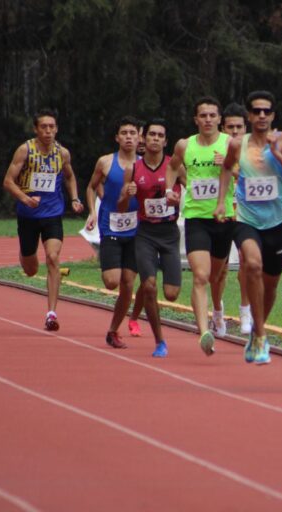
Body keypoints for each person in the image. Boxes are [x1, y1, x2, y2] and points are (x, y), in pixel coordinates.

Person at [215, 90, 282, 364]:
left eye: (266, 111)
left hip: (277, 223)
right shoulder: (237, 145)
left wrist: (278, 156)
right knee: (252, 266)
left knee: (270, 286)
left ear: (273, 115)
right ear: (249, 115)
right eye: (256, 111)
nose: (261, 115)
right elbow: (226, 168)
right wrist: (222, 201)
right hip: (246, 219)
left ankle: (256, 329)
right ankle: (261, 336)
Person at [3, 108, 83, 331]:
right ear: (36, 129)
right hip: (28, 215)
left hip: (53, 214)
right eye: (44, 127)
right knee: (30, 269)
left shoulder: (62, 153)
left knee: (53, 257)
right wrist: (24, 199)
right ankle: (25, 254)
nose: (48, 131)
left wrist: (75, 198)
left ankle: (51, 313)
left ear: (56, 129)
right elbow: (8, 181)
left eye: (52, 127)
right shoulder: (25, 151)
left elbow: (69, 176)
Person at [166, 96, 234, 356]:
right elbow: (172, 168)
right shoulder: (185, 145)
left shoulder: (230, 144)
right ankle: (204, 332)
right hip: (196, 218)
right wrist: (167, 190)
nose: (207, 120)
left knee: (216, 275)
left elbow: (245, 172)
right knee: (200, 276)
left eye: (212, 115)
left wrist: (228, 164)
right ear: (196, 119)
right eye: (203, 116)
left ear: (220, 119)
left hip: (223, 217)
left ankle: (217, 309)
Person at [118, 119, 181, 358]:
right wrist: (127, 194)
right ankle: (160, 341)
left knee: (172, 293)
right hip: (145, 233)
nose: (155, 138)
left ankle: (154, 331)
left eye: (160, 135)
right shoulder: (132, 169)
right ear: (146, 140)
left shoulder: (174, 166)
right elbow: (122, 207)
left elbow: (194, 191)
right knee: (148, 286)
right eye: (152, 134)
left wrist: (179, 201)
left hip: (169, 234)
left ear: (166, 141)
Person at [85, 116, 146, 348]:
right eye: (124, 133)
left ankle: (113, 330)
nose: (129, 137)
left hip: (136, 231)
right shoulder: (105, 162)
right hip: (110, 227)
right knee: (112, 282)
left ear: (139, 136)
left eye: (133, 132)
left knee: (128, 283)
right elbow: (92, 186)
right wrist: (92, 211)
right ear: (117, 137)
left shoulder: (143, 164)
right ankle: (116, 325)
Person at [220, 102, 253, 334]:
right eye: (230, 126)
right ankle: (218, 310)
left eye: (238, 127)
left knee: (247, 263)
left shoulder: (254, 150)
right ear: (222, 127)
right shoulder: (212, 147)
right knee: (219, 268)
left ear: (245, 128)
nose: (234, 131)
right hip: (220, 212)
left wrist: (229, 167)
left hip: (244, 212)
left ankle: (245, 312)